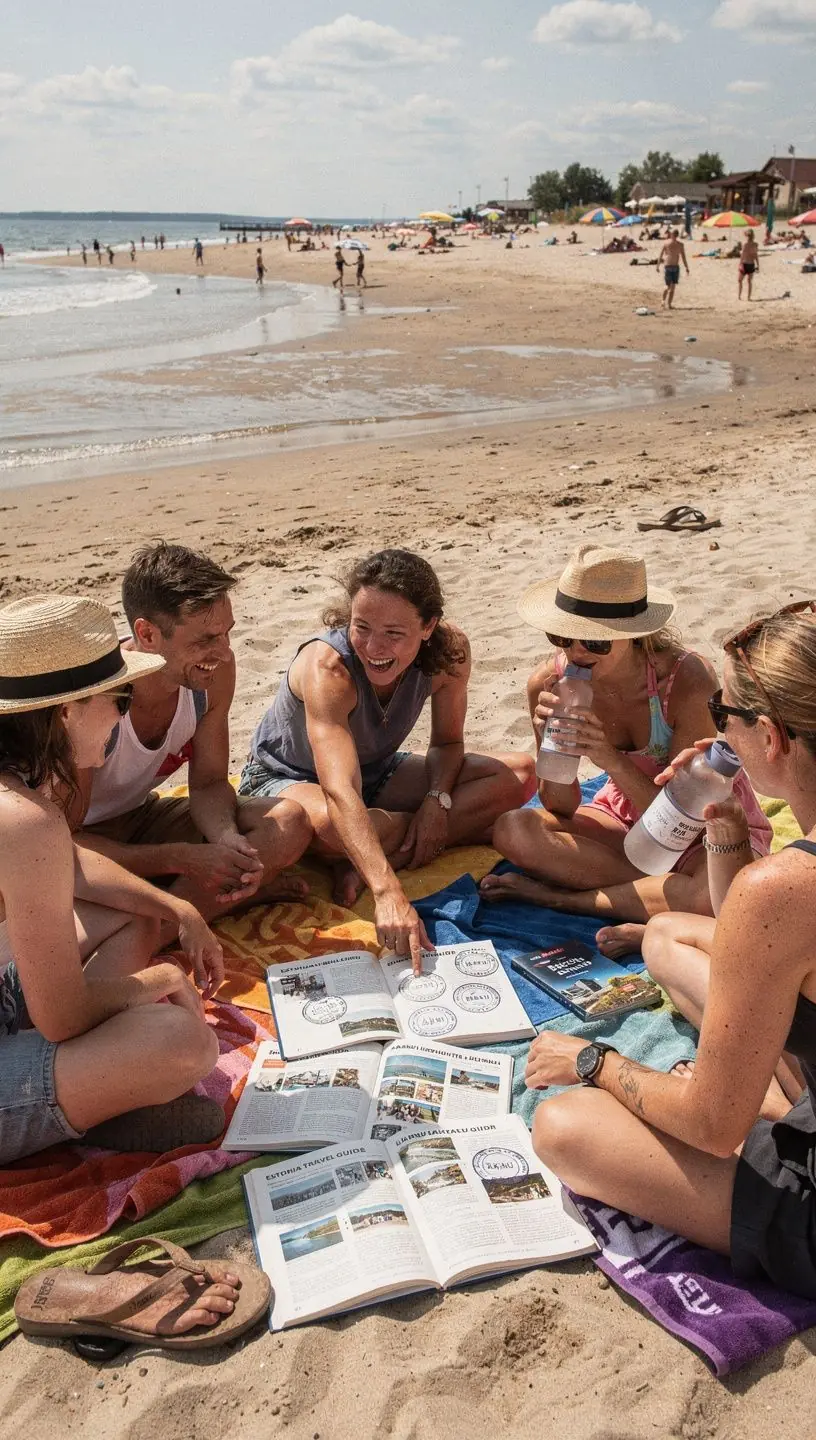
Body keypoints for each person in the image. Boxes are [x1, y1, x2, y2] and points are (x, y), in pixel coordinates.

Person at [526, 601, 816, 1304]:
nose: (720, 731)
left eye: (729, 718)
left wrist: (593, 1062)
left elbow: (712, 1131)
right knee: (670, 934)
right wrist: (720, 822)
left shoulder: (786, 890)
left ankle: (777, 1117)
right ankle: (782, 1104)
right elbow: (756, 935)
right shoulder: (780, 890)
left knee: (563, 1125)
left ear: (771, 737)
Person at [0, 594, 227, 1166]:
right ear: (65, 713)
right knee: (184, 1043)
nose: (122, 715)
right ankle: (95, 1103)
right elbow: (64, 1016)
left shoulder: (20, 795)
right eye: (117, 698)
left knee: (132, 911)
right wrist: (157, 979)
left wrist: (180, 911)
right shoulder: (24, 818)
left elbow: (72, 865)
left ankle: (93, 1088)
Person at [239, 549, 535, 970]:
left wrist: (437, 800)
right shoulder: (328, 669)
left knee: (519, 774)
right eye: (361, 627)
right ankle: (376, 852)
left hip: (377, 770)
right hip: (285, 778)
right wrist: (387, 891)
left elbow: (448, 744)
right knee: (328, 823)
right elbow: (340, 791)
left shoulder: (449, 653)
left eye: (394, 634)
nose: (374, 648)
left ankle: (369, 852)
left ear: (428, 627)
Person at [480, 546, 770, 937]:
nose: (575, 652)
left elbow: (683, 814)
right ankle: (652, 896)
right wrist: (547, 739)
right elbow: (559, 805)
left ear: (634, 636)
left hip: (702, 826)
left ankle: (564, 899)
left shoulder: (685, 680)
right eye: (563, 637)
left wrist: (608, 758)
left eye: (595, 643)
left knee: (711, 896)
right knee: (514, 829)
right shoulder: (548, 682)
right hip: (627, 819)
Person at [72, 543, 312, 922]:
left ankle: (177, 912)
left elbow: (209, 784)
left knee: (289, 822)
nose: (225, 652)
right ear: (147, 635)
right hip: (81, 841)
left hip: (140, 817)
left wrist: (225, 838)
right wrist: (181, 859)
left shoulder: (211, 677)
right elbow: (60, 844)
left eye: (226, 633)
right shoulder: (97, 699)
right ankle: (181, 916)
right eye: (205, 641)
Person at [658, 230, 689, 310]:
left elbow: (660, 255)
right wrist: (686, 267)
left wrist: (657, 266)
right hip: (675, 266)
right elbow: (683, 257)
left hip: (668, 265)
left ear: (672, 235)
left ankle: (663, 301)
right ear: (677, 235)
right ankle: (669, 304)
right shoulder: (680, 245)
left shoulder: (666, 243)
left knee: (667, 285)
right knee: (672, 287)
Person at [738, 232, 759, 300]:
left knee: (740, 280)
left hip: (745, 264)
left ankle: (740, 296)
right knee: (748, 281)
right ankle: (747, 297)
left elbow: (742, 255)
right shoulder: (755, 244)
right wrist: (758, 265)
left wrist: (740, 263)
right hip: (750, 264)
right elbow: (756, 255)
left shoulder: (745, 244)